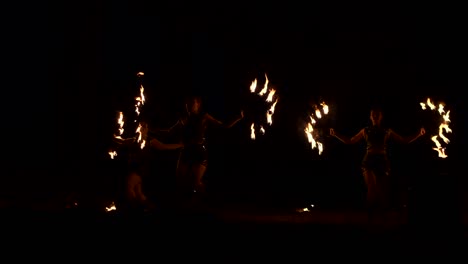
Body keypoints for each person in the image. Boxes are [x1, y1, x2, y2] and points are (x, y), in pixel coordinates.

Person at [329, 106, 425, 223]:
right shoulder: (365, 130)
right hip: (368, 161)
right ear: (370, 117)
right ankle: (370, 217)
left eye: (377, 114)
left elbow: (403, 140)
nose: (375, 116)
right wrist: (335, 134)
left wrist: (419, 134)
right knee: (372, 188)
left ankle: (382, 218)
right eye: (373, 114)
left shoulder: (387, 131)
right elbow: (350, 141)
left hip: (382, 161)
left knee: (382, 191)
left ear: (381, 117)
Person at [156, 95, 244, 209]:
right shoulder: (183, 118)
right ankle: (184, 205)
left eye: (192, 103)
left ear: (198, 104)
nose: (189, 105)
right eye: (187, 103)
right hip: (186, 151)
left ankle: (205, 203)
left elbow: (224, 126)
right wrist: (151, 130)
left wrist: (238, 117)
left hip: (199, 152)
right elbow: (168, 132)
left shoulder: (204, 116)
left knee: (196, 182)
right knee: (180, 180)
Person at [113, 120, 184, 212]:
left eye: (144, 127)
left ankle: (133, 209)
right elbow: (122, 141)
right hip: (134, 169)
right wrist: (114, 137)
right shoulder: (134, 140)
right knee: (139, 193)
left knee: (129, 186)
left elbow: (164, 147)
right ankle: (149, 208)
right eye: (140, 127)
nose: (141, 128)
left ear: (147, 129)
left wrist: (180, 145)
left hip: (139, 170)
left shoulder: (150, 141)